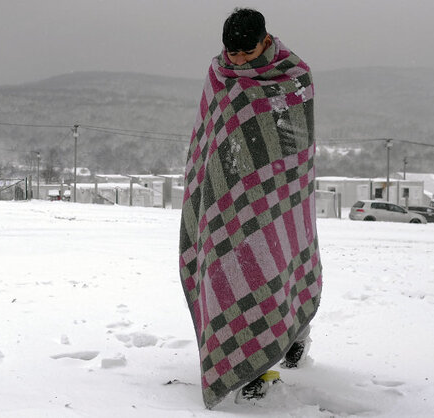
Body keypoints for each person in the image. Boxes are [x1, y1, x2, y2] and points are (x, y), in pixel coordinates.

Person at [179, 8, 323, 409]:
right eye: (232, 53)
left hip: (278, 196)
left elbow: (297, 142)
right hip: (226, 197)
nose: (238, 60)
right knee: (232, 278)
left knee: (282, 263)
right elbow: (207, 139)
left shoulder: (294, 77)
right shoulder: (219, 76)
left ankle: (294, 336)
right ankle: (255, 366)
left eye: (246, 52)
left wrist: (274, 180)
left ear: (265, 41)